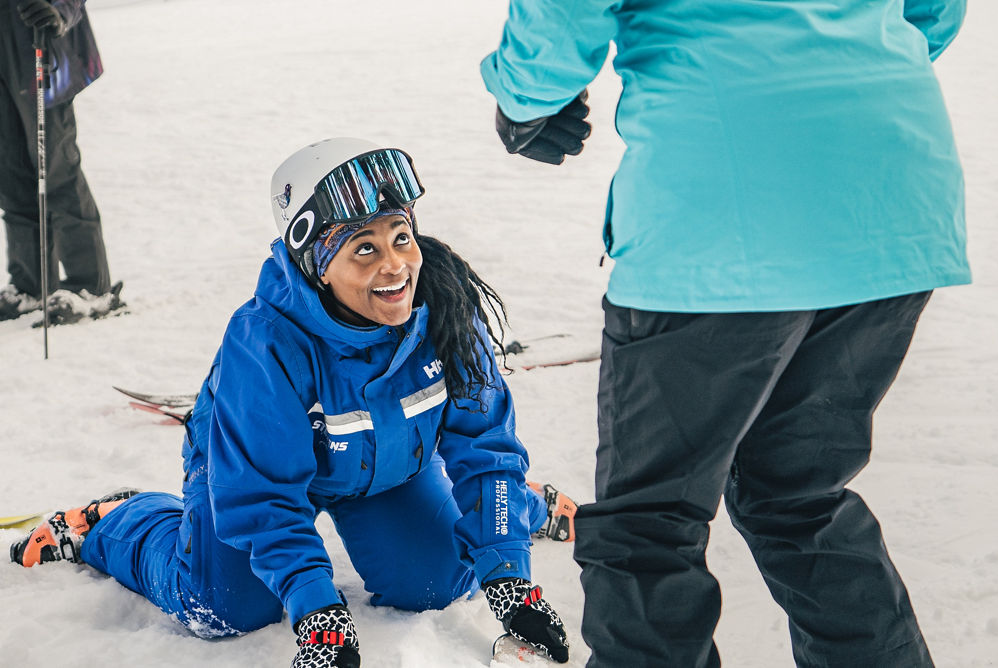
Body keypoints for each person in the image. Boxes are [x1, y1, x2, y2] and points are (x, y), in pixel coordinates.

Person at [481, 1, 969, 666]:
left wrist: (526, 98)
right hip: (888, 184)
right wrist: (850, 60)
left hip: (720, 218)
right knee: (799, 493)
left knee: (648, 522)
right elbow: (932, 11)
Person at [9, 138, 575, 666]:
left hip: (391, 468)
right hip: (251, 479)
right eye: (364, 249)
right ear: (317, 265)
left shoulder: (448, 309)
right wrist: (318, 612)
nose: (395, 266)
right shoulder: (264, 342)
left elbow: (486, 447)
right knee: (227, 609)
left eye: (401, 238)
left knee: (434, 582)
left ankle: (520, 509)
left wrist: (509, 575)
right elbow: (262, 494)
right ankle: (115, 524)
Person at [0, 0, 123, 325]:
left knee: (54, 165)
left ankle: (90, 287)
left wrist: (60, 11)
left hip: (37, 34)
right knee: (9, 171)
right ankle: (31, 284)